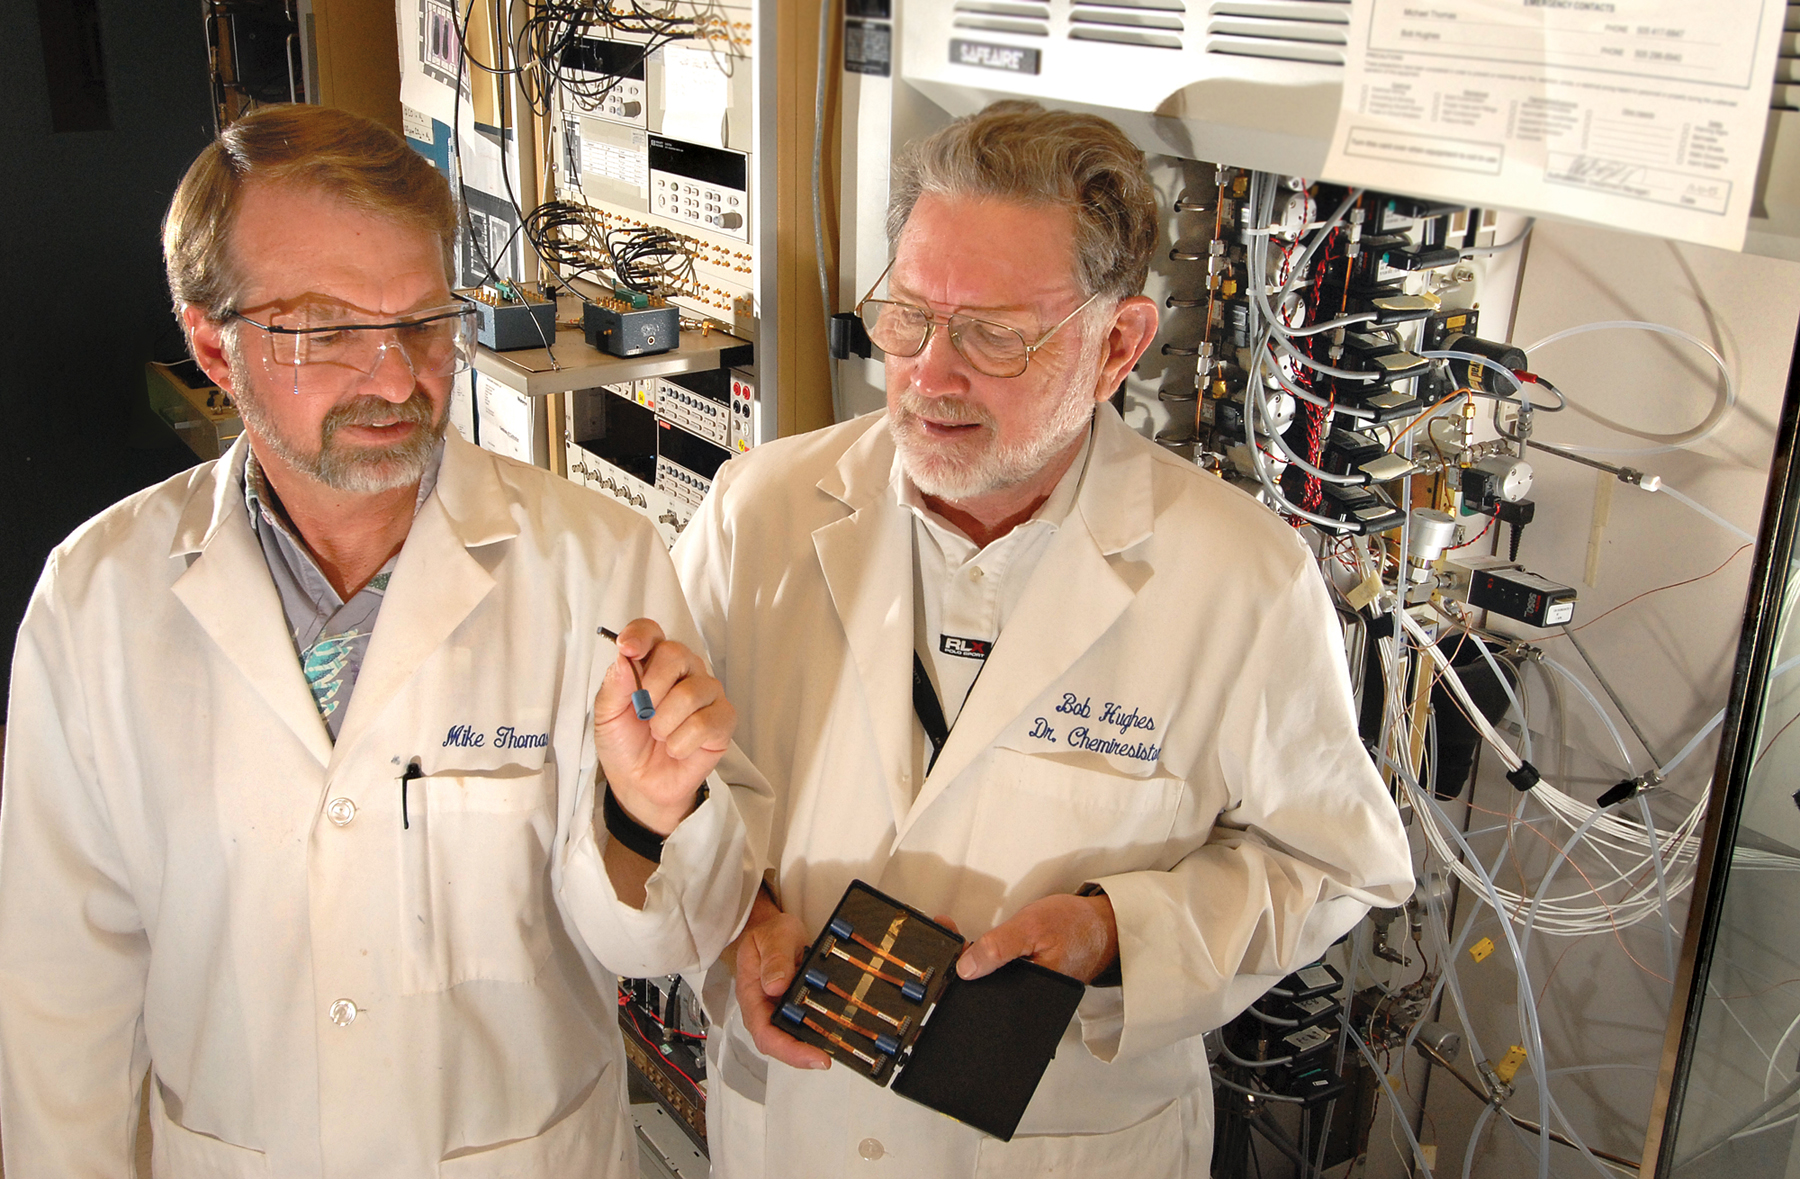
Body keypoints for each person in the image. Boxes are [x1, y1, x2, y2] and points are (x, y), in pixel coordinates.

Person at [0, 103, 767, 1177]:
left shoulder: (597, 563)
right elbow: (59, 987)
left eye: (421, 322)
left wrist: (648, 818)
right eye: (325, 329)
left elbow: (671, 941)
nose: (396, 376)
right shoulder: (98, 599)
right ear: (213, 343)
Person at [672, 100, 1414, 1175]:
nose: (928, 375)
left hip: (1064, 1139)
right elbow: (676, 789)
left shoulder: (1237, 580)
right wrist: (740, 912)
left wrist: (1122, 932)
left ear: (1118, 345)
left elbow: (1333, 865)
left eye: (994, 336)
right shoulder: (763, 511)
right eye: (909, 317)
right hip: (800, 1122)